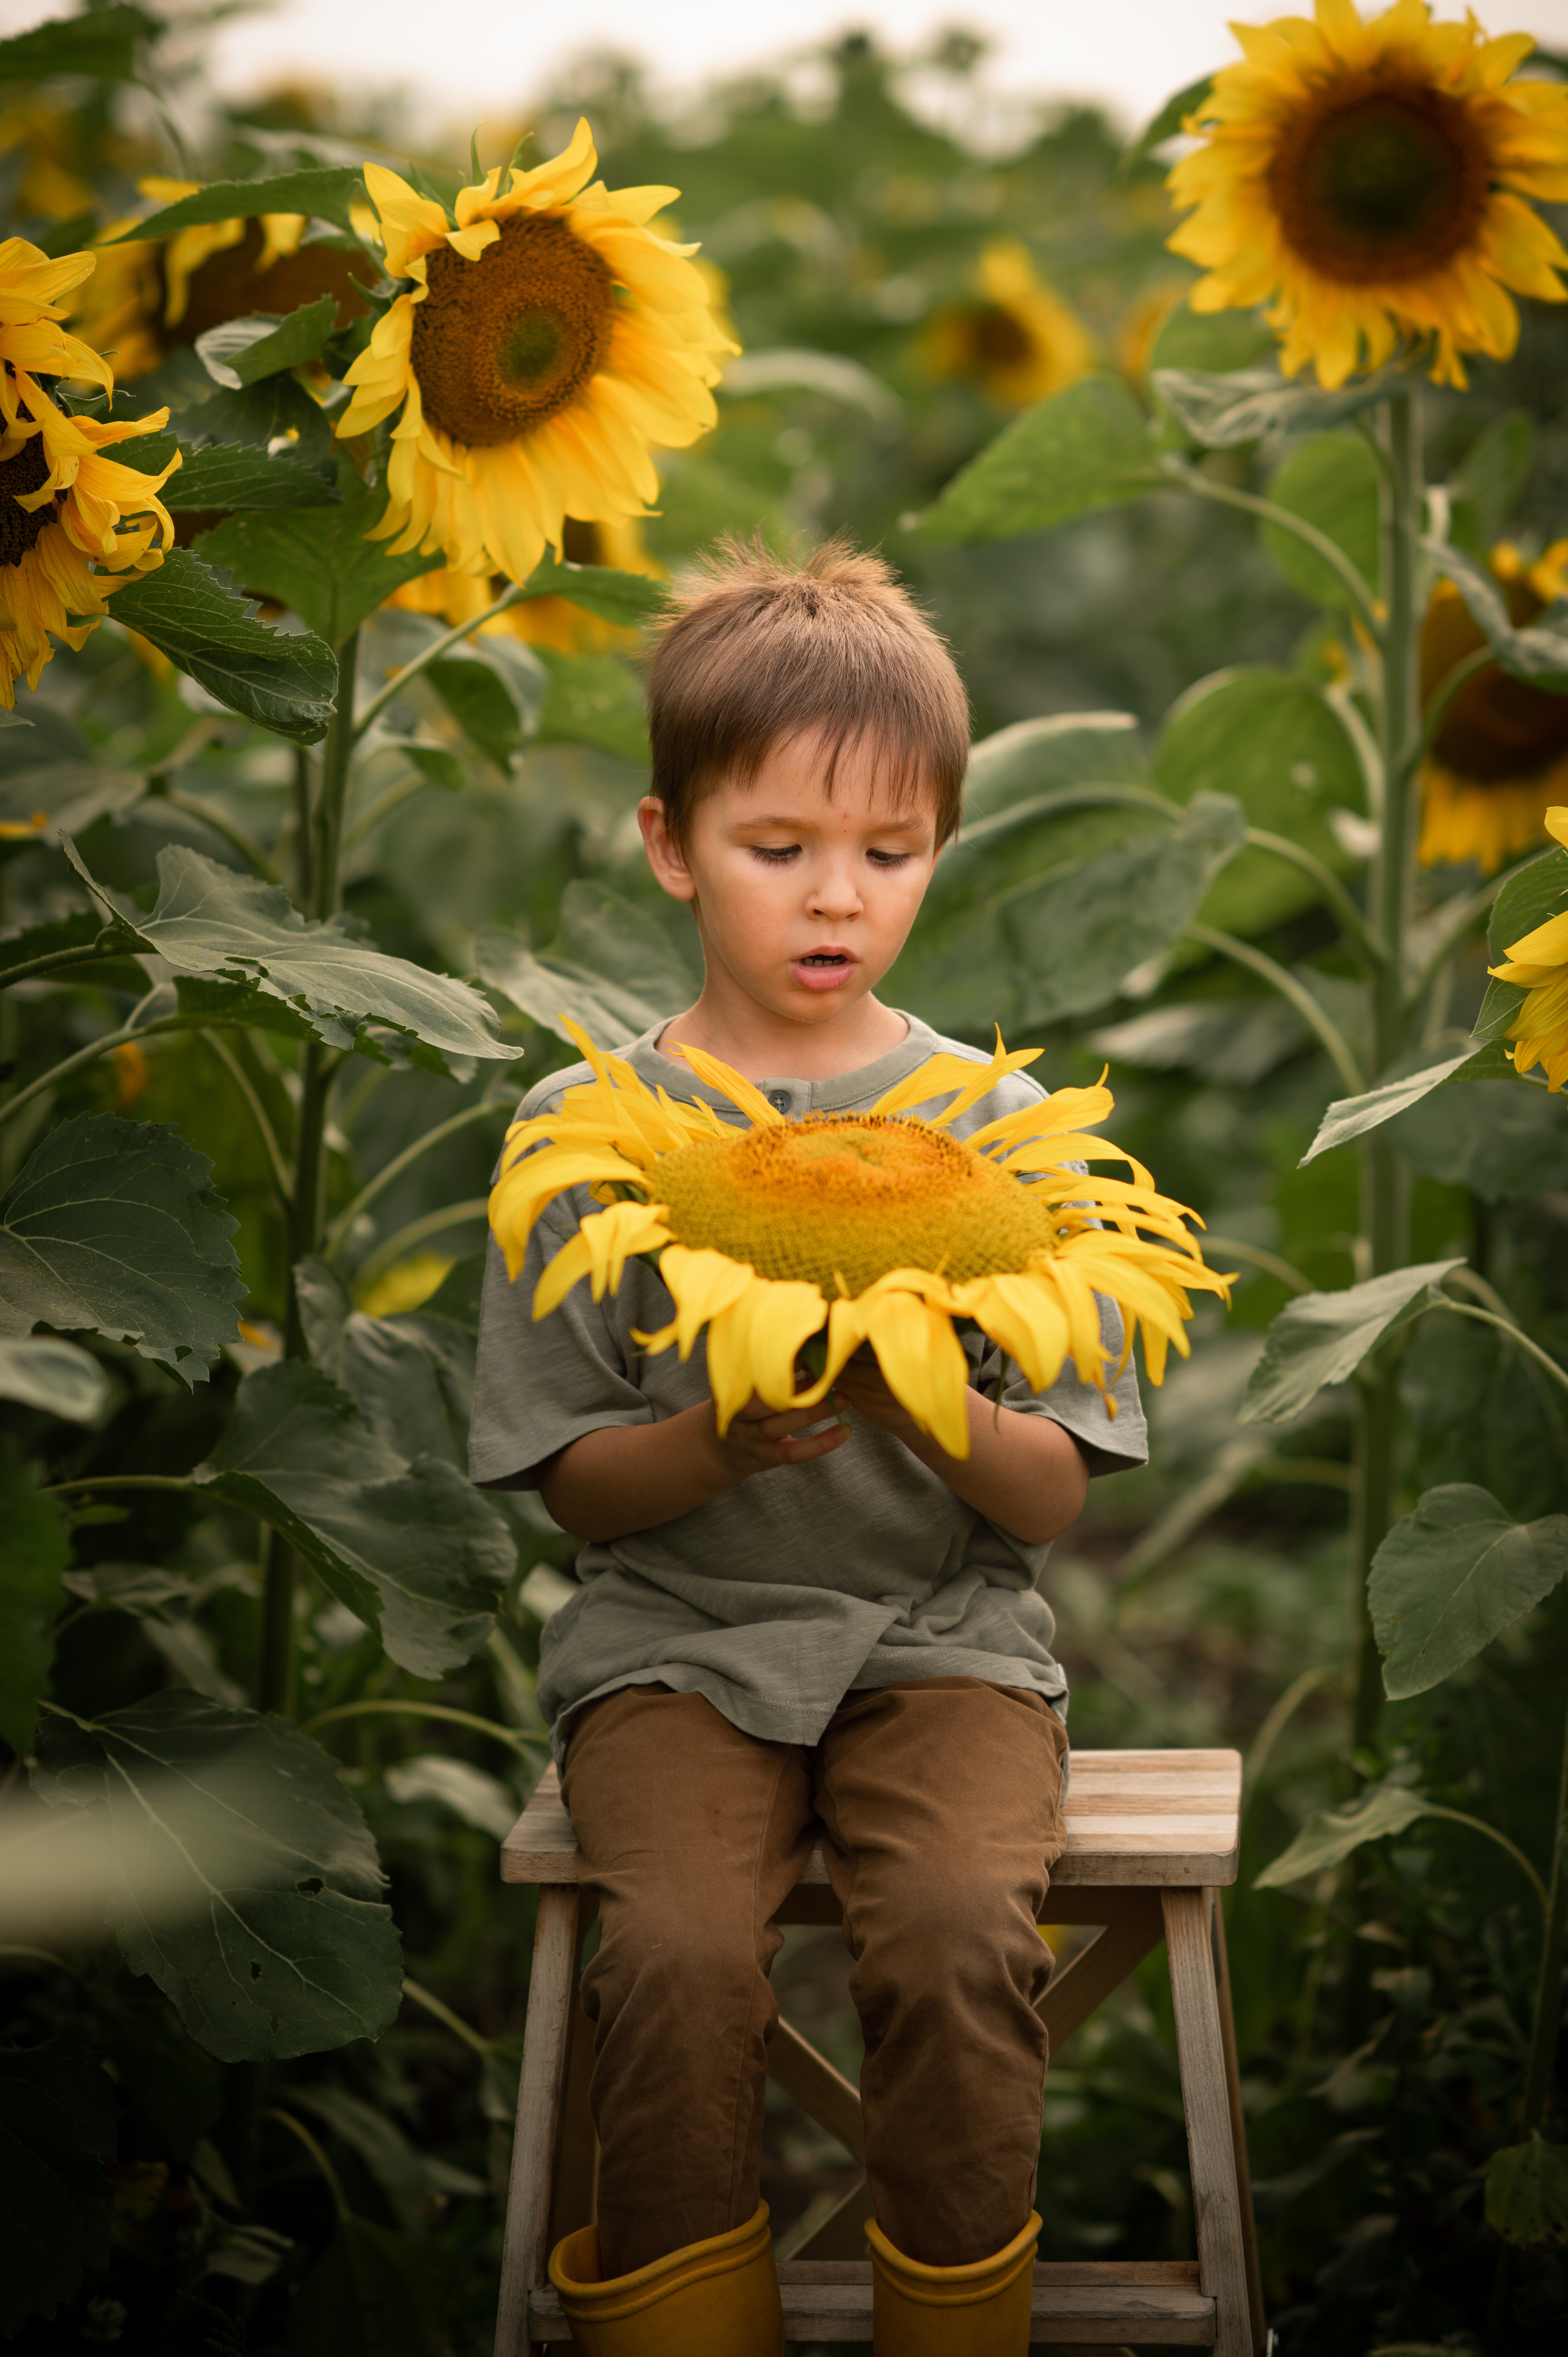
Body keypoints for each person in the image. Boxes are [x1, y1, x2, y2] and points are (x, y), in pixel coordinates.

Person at [470, 540, 1147, 2355]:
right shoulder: (594, 1134)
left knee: (951, 1935)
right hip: (675, 1645)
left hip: (945, 1644)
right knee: (678, 1960)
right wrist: (718, 1441)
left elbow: (1054, 1495)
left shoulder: (998, 1134)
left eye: (890, 852)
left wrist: (937, 1406)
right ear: (673, 845)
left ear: (940, 847)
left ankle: (955, 2322)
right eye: (780, 850)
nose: (835, 899)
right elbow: (571, 1486)